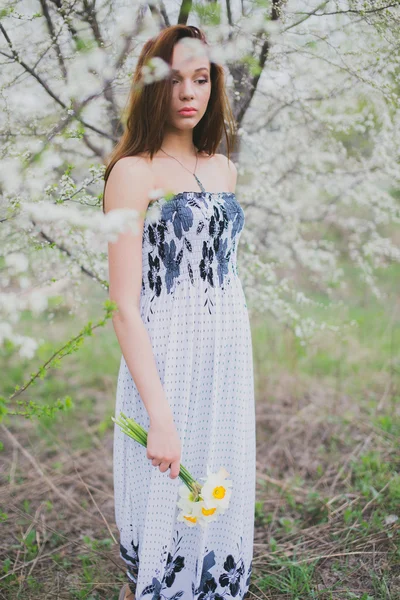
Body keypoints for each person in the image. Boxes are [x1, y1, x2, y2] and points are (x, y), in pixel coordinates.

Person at [103, 24, 256, 600]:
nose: (189, 93)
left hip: (225, 357)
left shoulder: (223, 169)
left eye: (202, 79)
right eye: (174, 81)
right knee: (162, 503)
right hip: (165, 357)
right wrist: (157, 413)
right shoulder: (133, 172)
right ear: (152, 86)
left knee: (213, 494)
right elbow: (123, 305)